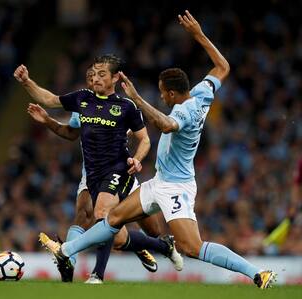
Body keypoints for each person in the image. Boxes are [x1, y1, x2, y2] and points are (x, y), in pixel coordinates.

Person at [39, 11, 277, 289]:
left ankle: (257, 273)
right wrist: (198, 34)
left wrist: (137, 99)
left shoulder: (186, 111)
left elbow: (164, 125)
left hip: (177, 187)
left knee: (192, 247)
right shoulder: (202, 92)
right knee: (113, 217)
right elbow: (222, 67)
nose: (162, 97)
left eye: (163, 93)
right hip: (159, 181)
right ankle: (66, 250)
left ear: (173, 94)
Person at [15, 56, 182, 284]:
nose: (96, 78)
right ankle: (161, 246)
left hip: (120, 169)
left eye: (102, 74)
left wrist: (137, 159)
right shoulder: (82, 99)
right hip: (93, 174)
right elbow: (50, 100)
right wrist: (27, 82)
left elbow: (144, 140)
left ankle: (95, 273)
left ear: (115, 78)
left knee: (109, 216)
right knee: (119, 236)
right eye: (93, 74)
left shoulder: (126, 106)